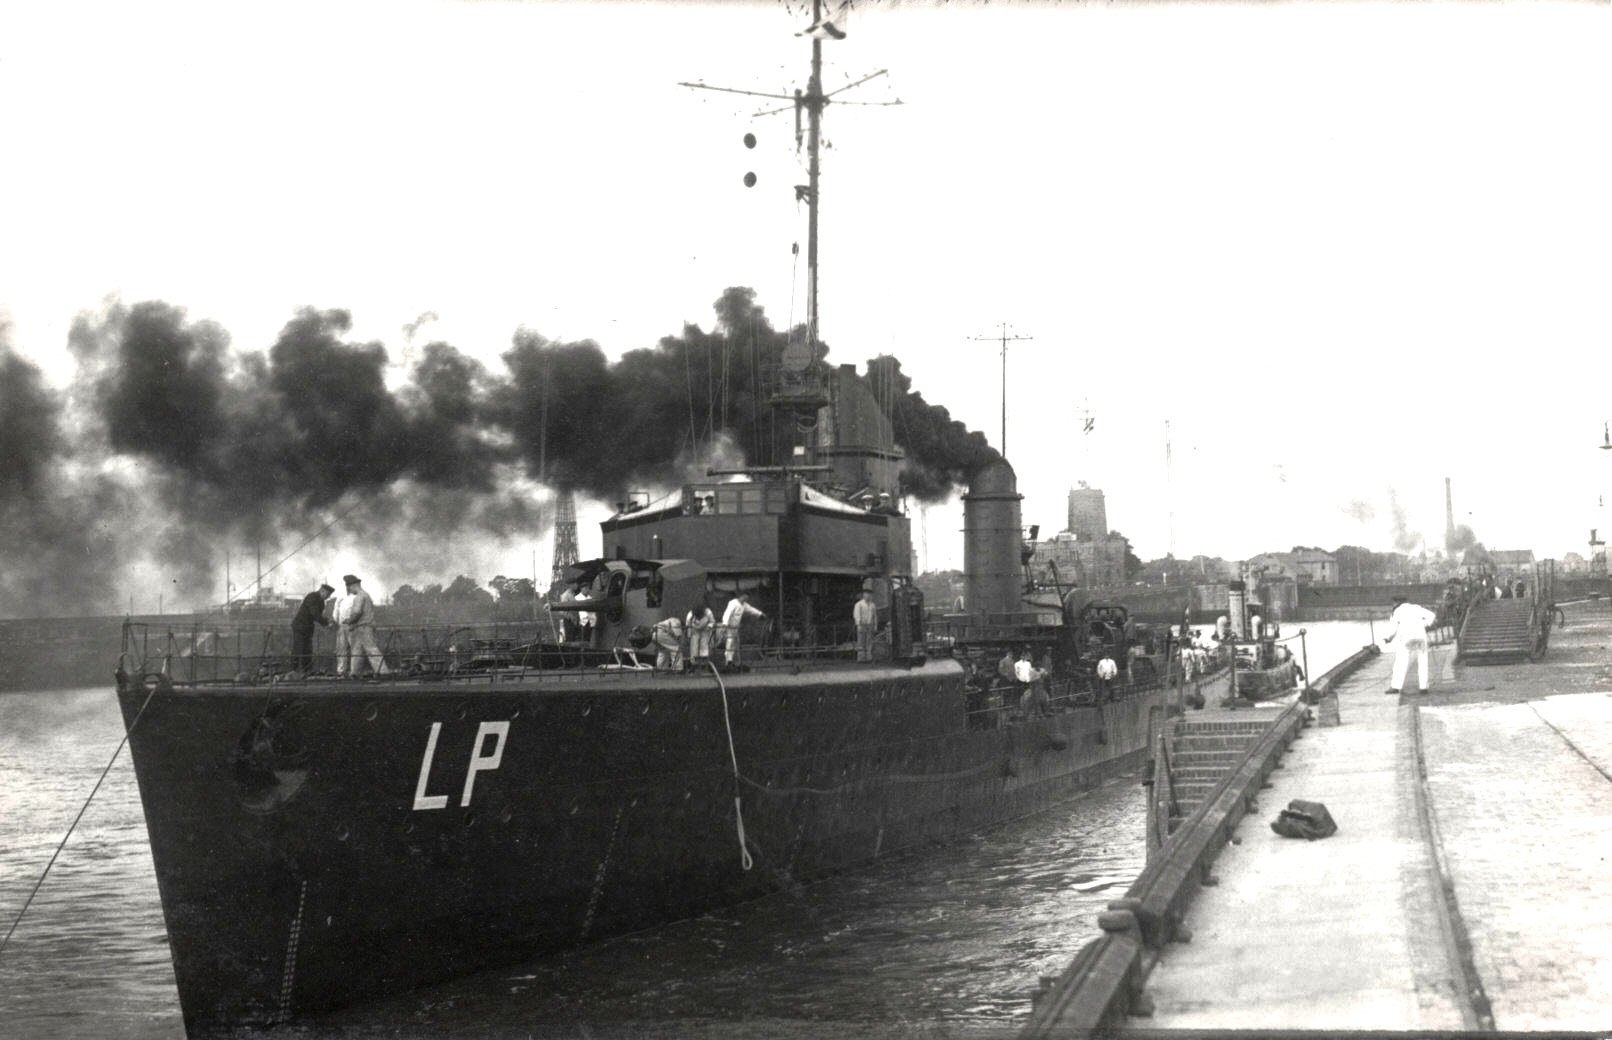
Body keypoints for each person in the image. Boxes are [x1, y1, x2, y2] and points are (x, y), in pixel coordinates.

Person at [1383, 594, 1436, 695]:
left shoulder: (1397, 611)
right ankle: (1423, 687)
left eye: (1393, 603)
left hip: (1406, 638)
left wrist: (1388, 639)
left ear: (1397, 602)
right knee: (1423, 660)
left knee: (1401, 661)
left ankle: (1395, 687)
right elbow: (1432, 616)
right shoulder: (1417, 607)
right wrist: (1424, 624)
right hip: (1421, 637)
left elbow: (1393, 629)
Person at [341, 574, 391, 678]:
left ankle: (383, 671)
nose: (349, 590)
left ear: (353, 585)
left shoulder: (359, 597)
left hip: (364, 627)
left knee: (371, 649)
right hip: (362, 627)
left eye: (349, 587)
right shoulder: (366, 595)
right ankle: (354, 673)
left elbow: (357, 613)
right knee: (357, 650)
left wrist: (349, 621)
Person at [289, 583, 335, 674]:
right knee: (298, 648)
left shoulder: (321, 601)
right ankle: (294, 670)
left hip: (308, 627)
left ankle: (306, 670)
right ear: (322, 591)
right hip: (300, 626)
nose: (328, 597)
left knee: (308, 649)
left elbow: (318, 615)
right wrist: (326, 622)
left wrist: (326, 620)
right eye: (327, 594)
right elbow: (315, 614)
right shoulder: (312, 597)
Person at [720, 591, 765, 665]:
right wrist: (725, 624)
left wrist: (760, 614)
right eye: (746, 597)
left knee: (735, 644)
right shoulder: (733, 603)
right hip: (730, 627)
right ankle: (727, 661)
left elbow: (751, 609)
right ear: (742, 596)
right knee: (730, 643)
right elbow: (727, 613)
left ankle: (731, 660)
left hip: (736, 628)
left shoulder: (744, 605)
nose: (747, 598)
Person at [1015, 649, 1049, 717]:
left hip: (1040, 687)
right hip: (1033, 687)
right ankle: (1035, 713)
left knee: (1044, 699)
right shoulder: (1031, 671)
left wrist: (1043, 675)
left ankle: (1044, 712)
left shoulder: (1041, 670)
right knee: (1033, 699)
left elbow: (1045, 674)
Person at [685, 598, 716, 665]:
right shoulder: (690, 615)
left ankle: (704, 662)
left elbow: (712, 622)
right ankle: (694, 663)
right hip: (695, 631)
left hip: (705, 630)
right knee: (694, 646)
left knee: (704, 645)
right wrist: (689, 636)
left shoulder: (708, 612)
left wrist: (709, 627)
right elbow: (688, 626)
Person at [853, 587, 878, 662]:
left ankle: (869, 657)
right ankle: (861, 658)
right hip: (862, 624)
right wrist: (858, 625)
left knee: (869, 641)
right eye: (867, 594)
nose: (868, 596)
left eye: (870, 594)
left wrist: (875, 625)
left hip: (870, 624)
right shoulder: (859, 604)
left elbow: (875, 616)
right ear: (864, 595)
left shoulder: (872, 605)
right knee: (861, 641)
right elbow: (857, 615)